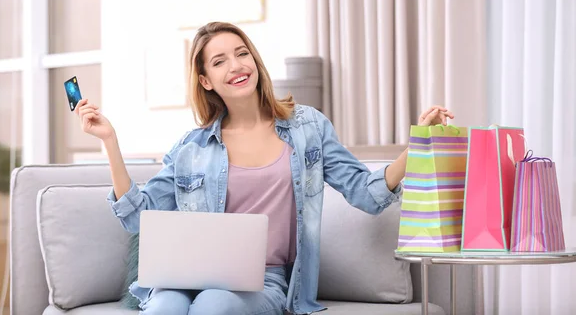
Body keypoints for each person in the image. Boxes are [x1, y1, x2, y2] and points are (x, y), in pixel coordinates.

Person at [75, 21, 454, 315]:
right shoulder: (191, 147)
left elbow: (366, 192)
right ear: (206, 80)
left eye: (242, 54)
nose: (237, 66)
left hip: (265, 279)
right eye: (220, 61)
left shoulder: (308, 127)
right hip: (185, 277)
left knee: (214, 304)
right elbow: (137, 217)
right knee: (164, 306)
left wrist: (417, 146)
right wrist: (110, 141)